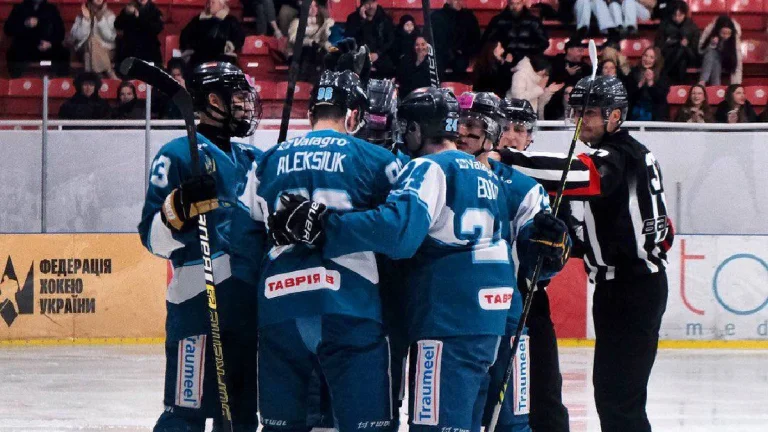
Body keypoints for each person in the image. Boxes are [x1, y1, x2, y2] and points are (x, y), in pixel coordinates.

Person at [269, 86, 569, 432]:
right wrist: (551, 249)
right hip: (501, 319)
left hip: (449, 319)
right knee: (506, 426)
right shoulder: (493, 177)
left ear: (416, 129)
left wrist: (325, 225)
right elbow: (531, 257)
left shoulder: (429, 167)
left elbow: (399, 233)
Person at [495, 75, 675, 432]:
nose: (581, 121)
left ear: (615, 116)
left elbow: (580, 175)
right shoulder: (631, 154)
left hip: (632, 289)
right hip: (623, 288)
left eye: (590, 113)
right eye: (577, 112)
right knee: (613, 396)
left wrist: (504, 159)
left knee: (619, 401)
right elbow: (661, 230)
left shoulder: (617, 156)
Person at [237, 69, 398, 432]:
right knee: (368, 427)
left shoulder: (266, 161)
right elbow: (399, 229)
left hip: (280, 306)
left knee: (281, 428)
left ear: (311, 113)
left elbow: (246, 234)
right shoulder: (377, 160)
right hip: (351, 305)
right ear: (353, 116)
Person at [138, 61, 261, 432]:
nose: (245, 105)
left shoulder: (253, 159)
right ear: (213, 101)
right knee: (185, 413)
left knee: (240, 417)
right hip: (197, 302)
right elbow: (152, 238)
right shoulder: (176, 155)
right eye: (237, 97)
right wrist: (179, 208)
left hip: (247, 306)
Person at [494, 97, 573, 432]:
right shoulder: (473, 176)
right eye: (506, 127)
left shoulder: (547, 184)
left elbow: (569, 246)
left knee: (545, 396)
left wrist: (556, 249)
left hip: (530, 303)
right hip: (480, 304)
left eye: (521, 129)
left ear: (530, 138)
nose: (512, 135)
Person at [4, 0, 69, 77]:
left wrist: (50, 44)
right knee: (13, 54)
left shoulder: (51, 9)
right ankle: (17, 82)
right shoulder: (19, 8)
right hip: (25, 49)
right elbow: (8, 30)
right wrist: (25, 24)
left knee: (63, 54)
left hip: (46, 48)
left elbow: (60, 33)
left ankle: (59, 82)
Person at [481, 0, 549, 67]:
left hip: (529, 60)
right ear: (508, 2)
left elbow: (543, 42)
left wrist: (524, 53)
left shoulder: (534, 21)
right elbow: (487, 42)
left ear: (523, 2)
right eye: (512, 4)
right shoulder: (498, 21)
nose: (515, 7)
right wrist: (503, 54)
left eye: (518, 3)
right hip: (504, 61)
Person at [179, 0, 246, 69]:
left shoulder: (231, 21)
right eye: (209, 2)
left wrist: (228, 46)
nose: (210, 5)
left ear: (221, 5)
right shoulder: (197, 20)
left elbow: (239, 38)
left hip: (223, 59)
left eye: (213, 2)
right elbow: (185, 37)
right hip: (199, 58)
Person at [344, 0, 396, 78]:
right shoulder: (353, 19)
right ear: (362, 4)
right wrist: (362, 20)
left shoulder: (385, 19)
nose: (371, 6)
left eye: (373, 2)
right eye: (368, 3)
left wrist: (378, 53)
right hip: (359, 58)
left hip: (381, 58)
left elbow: (390, 40)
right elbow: (349, 39)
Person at [430, 0, 481, 79]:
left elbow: (476, 40)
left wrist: (464, 51)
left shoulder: (469, 17)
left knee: (460, 64)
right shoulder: (436, 16)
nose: (459, 1)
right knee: (436, 65)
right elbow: (430, 38)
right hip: (440, 54)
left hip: (461, 55)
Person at [285, 0, 333, 82]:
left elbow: (324, 40)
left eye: (315, 6)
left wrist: (327, 29)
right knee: (309, 53)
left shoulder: (322, 22)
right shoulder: (297, 22)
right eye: (310, 7)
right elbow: (293, 39)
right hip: (299, 53)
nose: (314, 9)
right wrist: (309, 42)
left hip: (317, 51)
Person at [69, 0, 118, 79]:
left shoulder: (109, 15)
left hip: (107, 50)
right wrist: (86, 20)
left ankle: (92, 77)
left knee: (90, 48)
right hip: (83, 50)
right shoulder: (81, 15)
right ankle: (109, 71)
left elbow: (110, 37)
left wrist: (101, 20)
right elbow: (78, 37)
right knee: (91, 42)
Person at [655, 1, 700, 84]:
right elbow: (658, 45)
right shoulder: (665, 25)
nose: (677, 18)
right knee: (681, 60)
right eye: (674, 15)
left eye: (680, 15)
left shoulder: (692, 27)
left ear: (685, 14)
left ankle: (665, 74)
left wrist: (686, 45)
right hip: (668, 54)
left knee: (682, 52)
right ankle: (679, 84)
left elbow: (695, 49)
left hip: (688, 56)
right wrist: (669, 43)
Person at [508, 54, 565, 118]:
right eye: (544, 72)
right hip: (518, 117)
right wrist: (539, 88)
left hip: (531, 115)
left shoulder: (538, 77)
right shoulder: (520, 74)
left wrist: (549, 91)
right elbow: (518, 98)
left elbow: (539, 101)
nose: (545, 75)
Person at [114, 0, 164, 69]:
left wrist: (139, 17)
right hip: (130, 50)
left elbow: (157, 29)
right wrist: (126, 14)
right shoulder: (129, 8)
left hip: (149, 50)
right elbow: (117, 25)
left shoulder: (154, 10)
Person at [626, 47, 669, 121]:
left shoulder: (662, 75)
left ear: (656, 60)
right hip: (634, 112)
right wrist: (640, 83)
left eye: (651, 57)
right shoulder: (633, 72)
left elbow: (660, 98)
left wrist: (650, 83)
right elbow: (629, 95)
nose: (647, 59)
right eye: (645, 55)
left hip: (655, 114)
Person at [698, 15, 742, 86]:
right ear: (718, 31)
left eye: (728, 33)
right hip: (709, 60)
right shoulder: (709, 31)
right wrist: (711, 44)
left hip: (727, 61)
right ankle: (715, 86)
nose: (726, 36)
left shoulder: (735, 38)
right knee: (712, 53)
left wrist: (735, 86)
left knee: (713, 55)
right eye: (723, 33)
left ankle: (702, 82)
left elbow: (738, 63)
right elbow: (700, 51)